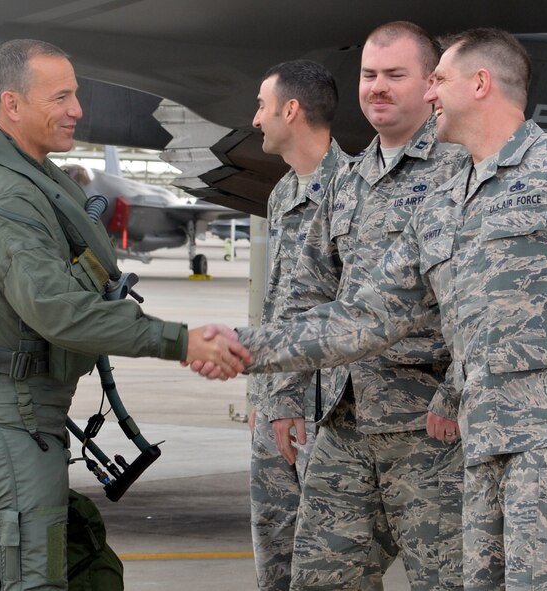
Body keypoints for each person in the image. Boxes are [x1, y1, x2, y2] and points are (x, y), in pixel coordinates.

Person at [196, 27, 547, 591]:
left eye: (438, 81)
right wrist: (243, 346)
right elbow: (364, 316)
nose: (430, 95)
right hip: (480, 448)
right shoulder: (441, 204)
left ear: (480, 84)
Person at [0, 39, 247, 590]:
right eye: (61, 97)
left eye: (75, 94)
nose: (78, 109)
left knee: (86, 570)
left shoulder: (30, 175)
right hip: (13, 422)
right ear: (12, 105)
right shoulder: (9, 198)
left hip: (23, 411)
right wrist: (182, 342)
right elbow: (59, 312)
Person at [247, 59, 351, 590]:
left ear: (291, 110)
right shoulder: (283, 192)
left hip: (322, 410)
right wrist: (263, 398)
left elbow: (345, 312)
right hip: (276, 406)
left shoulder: (352, 191)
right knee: (274, 549)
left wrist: (290, 402)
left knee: (325, 559)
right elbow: (276, 308)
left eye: (263, 106)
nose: (255, 119)